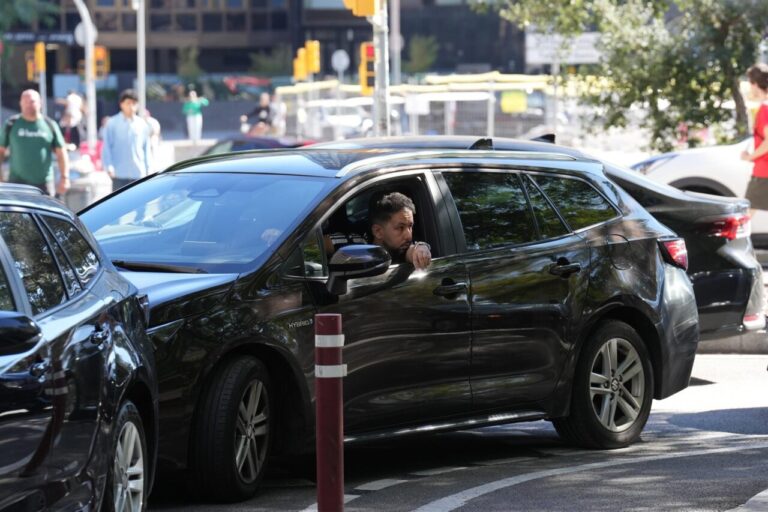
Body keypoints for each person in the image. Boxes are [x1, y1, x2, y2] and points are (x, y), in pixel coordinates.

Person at [0, 89, 70, 196]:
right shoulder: (11, 124)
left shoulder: (49, 125)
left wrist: (64, 177)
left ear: (40, 103)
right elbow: (1, 151)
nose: (28, 105)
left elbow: (61, 153)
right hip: (16, 183)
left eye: (32, 101)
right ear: (20, 103)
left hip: (44, 184)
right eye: (25, 101)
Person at [101, 89, 151, 192]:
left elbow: (146, 149)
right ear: (121, 104)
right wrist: (109, 166)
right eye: (128, 103)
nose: (131, 106)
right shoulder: (112, 123)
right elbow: (107, 147)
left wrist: (148, 170)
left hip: (138, 173)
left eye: (134, 103)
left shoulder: (142, 124)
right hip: (119, 174)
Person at [368, 192, 432, 270]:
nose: (409, 236)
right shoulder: (362, 257)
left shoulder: (401, 249)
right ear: (378, 231)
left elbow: (410, 252)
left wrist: (420, 249)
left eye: (410, 226)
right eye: (400, 228)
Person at [741, 63, 768, 215]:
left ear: (755, 84)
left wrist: (750, 157)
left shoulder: (764, 109)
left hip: (764, 173)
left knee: (743, 218)